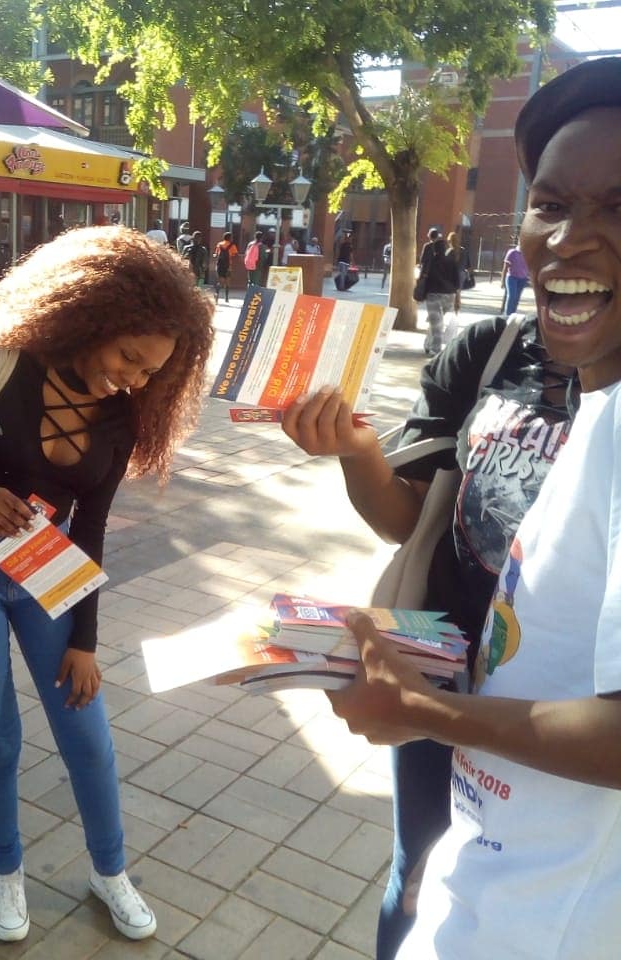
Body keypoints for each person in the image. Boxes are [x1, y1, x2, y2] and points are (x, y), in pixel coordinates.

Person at [318, 56, 621, 959]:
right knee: (415, 869)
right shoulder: (574, 393)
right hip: (497, 819)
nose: (570, 237)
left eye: (618, 206)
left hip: (558, 911)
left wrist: (429, 713)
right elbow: (414, 518)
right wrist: (358, 450)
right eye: (552, 202)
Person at [0, 226, 214, 944]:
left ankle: (110, 872)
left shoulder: (124, 416)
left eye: (150, 371)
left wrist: (86, 641)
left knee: (88, 737)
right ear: (92, 316)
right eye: (129, 356)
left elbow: (91, 528)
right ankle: (5, 874)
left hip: (48, 581)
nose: (133, 377)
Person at [417, 229, 458, 356]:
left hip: (433, 295)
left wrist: (422, 294)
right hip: (449, 296)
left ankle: (435, 349)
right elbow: (457, 281)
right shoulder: (452, 262)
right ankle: (428, 343)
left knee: (436, 324)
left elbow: (426, 277)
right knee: (438, 321)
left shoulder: (432, 262)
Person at [500, 236, 530, 315]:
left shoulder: (527, 254)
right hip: (511, 278)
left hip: (522, 279)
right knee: (511, 296)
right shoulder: (512, 252)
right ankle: (507, 315)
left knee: (517, 298)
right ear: (519, 242)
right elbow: (505, 267)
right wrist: (502, 281)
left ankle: (513, 314)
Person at [213, 230, 239, 302]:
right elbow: (236, 255)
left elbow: (216, 254)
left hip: (220, 265)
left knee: (220, 282)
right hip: (228, 266)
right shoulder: (232, 245)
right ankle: (226, 298)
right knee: (227, 282)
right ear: (229, 238)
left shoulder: (219, 244)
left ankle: (217, 295)